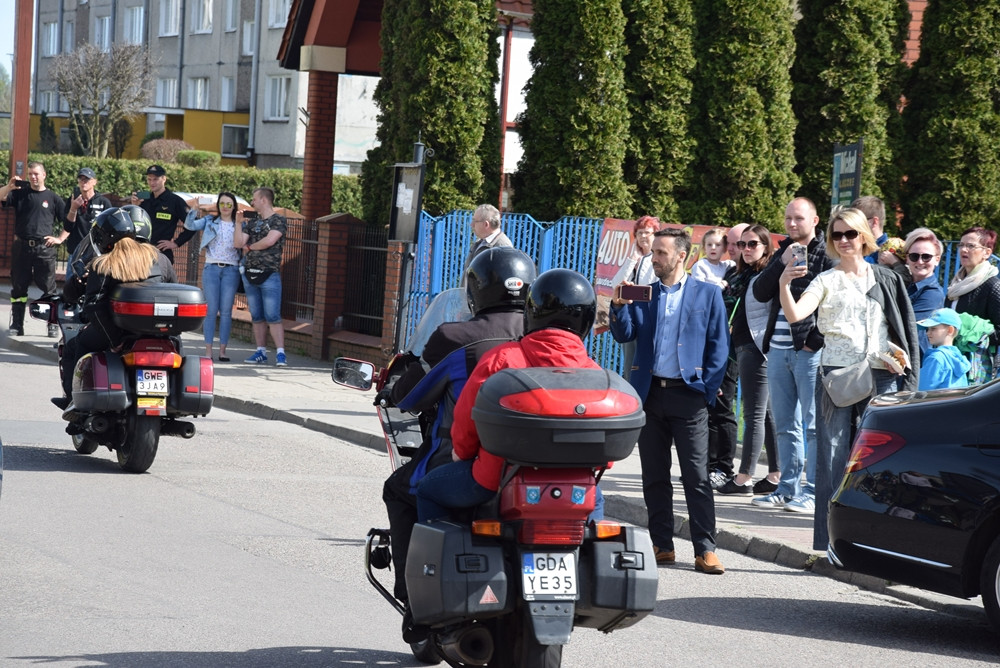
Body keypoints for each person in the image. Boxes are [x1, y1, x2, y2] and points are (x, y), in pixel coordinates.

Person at [380, 248, 535, 639]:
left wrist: (394, 387)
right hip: (536, 463)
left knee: (399, 490)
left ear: (476, 291)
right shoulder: (543, 337)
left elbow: (410, 397)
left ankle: (416, 599)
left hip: (465, 460)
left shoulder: (455, 337)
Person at [777, 207, 919, 551]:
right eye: (836, 235)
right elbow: (797, 314)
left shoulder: (886, 278)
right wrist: (784, 282)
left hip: (881, 374)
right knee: (833, 455)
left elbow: (904, 328)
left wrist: (901, 359)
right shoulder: (826, 279)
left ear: (864, 237)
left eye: (850, 234)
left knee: (880, 458)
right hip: (836, 377)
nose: (843, 241)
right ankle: (831, 541)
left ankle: (876, 538)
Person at [415, 268, 602, 523]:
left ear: (532, 312)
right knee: (596, 516)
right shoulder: (594, 373)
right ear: (587, 320)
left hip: (496, 478)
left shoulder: (502, 358)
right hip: (575, 486)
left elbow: (468, 416)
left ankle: (439, 563)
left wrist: (462, 452)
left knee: (427, 490)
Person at [609, 228, 729, 574]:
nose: (654, 259)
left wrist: (704, 390)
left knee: (696, 475)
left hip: (687, 396)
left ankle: (706, 548)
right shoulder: (644, 294)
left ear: (682, 256)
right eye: (653, 253)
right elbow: (624, 334)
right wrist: (619, 308)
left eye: (661, 253)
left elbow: (719, 348)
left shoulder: (707, 294)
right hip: (650, 395)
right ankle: (662, 544)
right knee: (654, 475)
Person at [751, 197, 836, 513]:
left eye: (798, 218)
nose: (791, 224)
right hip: (778, 349)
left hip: (808, 352)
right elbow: (760, 293)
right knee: (785, 423)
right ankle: (787, 487)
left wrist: (814, 342)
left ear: (814, 221)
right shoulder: (783, 251)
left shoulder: (827, 254)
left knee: (812, 425)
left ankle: (813, 491)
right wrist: (779, 262)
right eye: (787, 218)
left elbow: (832, 304)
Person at [52, 208, 168, 409]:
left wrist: (114, 340)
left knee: (76, 345)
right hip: (156, 332)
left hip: (119, 332)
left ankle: (74, 402)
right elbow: (171, 293)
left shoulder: (105, 263)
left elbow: (95, 305)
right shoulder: (160, 258)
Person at [716, 224, 780, 495]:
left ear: (766, 246)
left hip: (757, 346)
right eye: (742, 245)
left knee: (754, 413)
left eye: (753, 244)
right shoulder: (737, 273)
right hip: (741, 344)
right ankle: (776, 474)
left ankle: (744, 478)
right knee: (765, 414)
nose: (746, 249)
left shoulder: (766, 274)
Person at [1, 161, 67, 338]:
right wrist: (8, 186)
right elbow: (1, 198)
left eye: (36, 174)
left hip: (44, 249)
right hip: (22, 247)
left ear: (44, 175)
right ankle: (17, 324)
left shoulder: (53, 198)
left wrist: (59, 238)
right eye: (30, 174)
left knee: (48, 289)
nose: (33, 177)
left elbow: (69, 222)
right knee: (18, 288)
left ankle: (52, 324)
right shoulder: (20, 194)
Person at [184, 193, 243, 361]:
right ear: (218, 205)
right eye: (222, 203)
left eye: (229, 204)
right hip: (211, 268)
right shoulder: (210, 220)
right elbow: (189, 226)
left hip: (231, 269)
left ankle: (222, 351)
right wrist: (194, 210)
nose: (225, 207)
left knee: (225, 312)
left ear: (234, 207)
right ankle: (208, 351)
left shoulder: (238, 224)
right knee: (210, 310)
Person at [235, 187, 287, 366]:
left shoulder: (278, 220)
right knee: (256, 315)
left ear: (264, 200)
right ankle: (260, 352)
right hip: (250, 273)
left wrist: (249, 247)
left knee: (272, 315)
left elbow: (270, 241)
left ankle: (281, 353)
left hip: (269, 274)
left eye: (254, 199)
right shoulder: (252, 223)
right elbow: (238, 242)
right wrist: (238, 223)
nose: (252, 202)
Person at [609, 215, 660, 380]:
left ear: (655, 235)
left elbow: (650, 287)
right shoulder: (634, 258)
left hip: (650, 319)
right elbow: (616, 286)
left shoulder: (658, 259)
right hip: (631, 318)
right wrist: (633, 259)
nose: (643, 237)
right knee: (631, 366)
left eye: (647, 233)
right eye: (639, 233)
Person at [58, 167, 113, 281]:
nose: (83, 182)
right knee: (72, 287)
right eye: (81, 179)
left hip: (96, 254)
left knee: (94, 285)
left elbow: (109, 228)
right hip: (76, 252)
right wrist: (73, 208)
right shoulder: (73, 200)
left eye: (87, 179)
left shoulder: (103, 202)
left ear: (94, 182)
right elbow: (68, 227)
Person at [133, 164, 193, 264]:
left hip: (161, 255)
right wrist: (135, 206)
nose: (152, 183)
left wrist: (176, 243)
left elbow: (192, 225)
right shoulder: (143, 199)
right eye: (149, 179)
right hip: (141, 254)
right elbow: (133, 224)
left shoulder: (175, 201)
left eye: (155, 179)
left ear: (164, 179)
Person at [901, 228, 945, 357]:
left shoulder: (933, 293)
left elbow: (907, 325)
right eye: (914, 256)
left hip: (914, 359)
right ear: (907, 259)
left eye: (926, 257)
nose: (920, 262)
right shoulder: (905, 285)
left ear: (937, 259)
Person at [917, 308, 970, 390]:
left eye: (933, 328)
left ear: (950, 330)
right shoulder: (957, 355)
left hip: (937, 402)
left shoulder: (936, 358)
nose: (927, 333)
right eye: (928, 329)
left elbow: (921, 391)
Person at [460, 204, 513, 276]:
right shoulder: (480, 241)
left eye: (475, 221)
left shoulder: (503, 247)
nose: (471, 224)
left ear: (486, 224)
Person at [851, 195, 889, 265]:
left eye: (858, 220)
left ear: (874, 222)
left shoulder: (890, 253)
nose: (852, 225)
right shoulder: (853, 247)